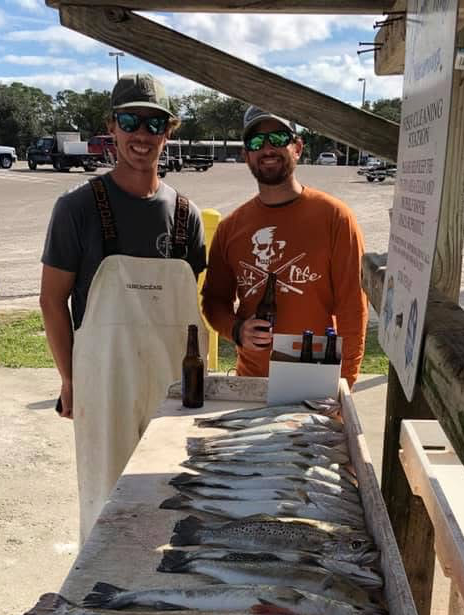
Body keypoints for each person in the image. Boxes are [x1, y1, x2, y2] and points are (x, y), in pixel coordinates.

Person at [40, 73, 207, 542]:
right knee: (105, 499)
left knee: (176, 495)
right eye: (130, 120)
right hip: (104, 379)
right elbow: (52, 300)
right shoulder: (77, 208)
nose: (142, 135)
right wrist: (71, 378)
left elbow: (186, 307)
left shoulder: (185, 214)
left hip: (172, 381)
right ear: (111, 127)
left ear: (169, 132)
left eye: (154, 124)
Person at [201, 105, 368, 386]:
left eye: (278, 138)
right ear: (246, 155)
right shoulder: (231, 228)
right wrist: (237, 330)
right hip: (252, 382)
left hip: (315, 380)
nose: (267, 148)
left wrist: (344, 384)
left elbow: (353, 311)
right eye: (256, 142)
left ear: (298, 147)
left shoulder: (335, 218)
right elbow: (214, 300)